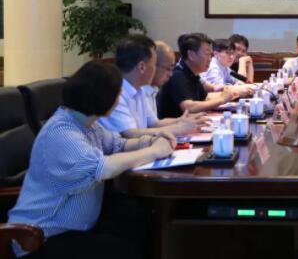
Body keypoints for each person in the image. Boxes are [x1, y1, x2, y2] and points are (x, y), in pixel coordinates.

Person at [8, 61, 174, 259]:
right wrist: (154, 152)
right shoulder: (62, 133)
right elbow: (103, 168)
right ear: (102, 98)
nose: (119, 98)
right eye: (117, 93)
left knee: (137, 213)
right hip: (40, 237)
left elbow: (118, 145)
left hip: (76, 227)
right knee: (124, 249)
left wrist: (152, 140)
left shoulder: (87, 124)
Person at [98, 35, 201, 138]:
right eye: (154, 64)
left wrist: (181, 121)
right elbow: (130, 134)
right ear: (142, 67)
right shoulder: (116, 92)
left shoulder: (140, 89)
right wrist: (178, 128)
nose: (155, 69)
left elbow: (154, 123)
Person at [157, 33, 235, 117]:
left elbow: (205, 98)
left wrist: (228, 94)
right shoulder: (178, 75)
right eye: (207, 54)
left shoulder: (194, 74)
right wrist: (221, 99)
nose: (210, 59)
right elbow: (189, 107)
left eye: (211, 55)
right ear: (191, 55)